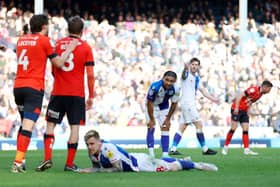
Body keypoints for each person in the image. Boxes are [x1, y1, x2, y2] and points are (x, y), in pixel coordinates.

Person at [11, 14, 78, 173]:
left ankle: (22, 159)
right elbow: (59, 63)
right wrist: (69, 49)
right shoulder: (44, 41)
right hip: (33, 87)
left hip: (18, 86)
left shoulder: (21, 40)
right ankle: (17, 162)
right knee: (28, 126)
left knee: (23, 126)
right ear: (44, 27)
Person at [35, 16, 95, 172]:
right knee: (74, 128)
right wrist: (92, 96)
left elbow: (54, 68)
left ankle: (47, 158)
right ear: (82, 31)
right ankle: (69, 164)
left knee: (50, 125)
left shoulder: (57, 44)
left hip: (59, 92)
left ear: (68, 29)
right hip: (76, 94)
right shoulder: (86, 47)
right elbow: (90, 75)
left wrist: (61, 79)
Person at [78, 129, 218, 173]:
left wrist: (101, 171)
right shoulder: (92, 152)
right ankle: (184, 161)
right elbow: (96, 167)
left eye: (92, 143)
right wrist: (86, 170)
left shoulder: (107, 148)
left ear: (99, 141)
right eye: (87, 144)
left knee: (170, 168)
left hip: (138, 165)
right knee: (162, 163)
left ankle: (197, 165)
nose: (90, 147)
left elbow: (118, 168)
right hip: (135, 158)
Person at [169, 57, 220, 156]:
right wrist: (185, 68)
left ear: (198, 67)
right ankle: (205, 149)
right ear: (190, 65)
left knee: (182, 127)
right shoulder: (186, 74)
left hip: (188, 104)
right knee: (199, 124)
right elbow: (183, 75)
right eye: (193, 64)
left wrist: (213, 99)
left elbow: (203, 91)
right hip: (187, 104)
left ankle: (173, 148)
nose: (194, 66)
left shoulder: (196, 78)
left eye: (196, 65)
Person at [222, 80, 273, 155]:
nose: (269, 91)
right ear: (265, 87)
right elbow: (240, 96)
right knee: (233, 128)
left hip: (244, 111)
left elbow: (250, 102)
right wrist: (236, 108)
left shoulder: (260, 94)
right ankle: (225, 147)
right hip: (236, 109)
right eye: (269, 89)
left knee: (245, 129)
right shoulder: (253, 90)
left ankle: (246, 149)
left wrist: (248, 112)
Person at [145, 71, 180, 158]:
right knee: (151, 127)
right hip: (151, 106)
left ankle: (165, 155)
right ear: (163, 78)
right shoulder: (155, 87)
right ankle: (151, 154)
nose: (168, 83)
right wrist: (152, 119)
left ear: (175, 81)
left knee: (165, 127)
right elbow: (149, 103)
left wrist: (168, 119)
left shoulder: (176, 89)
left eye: (171, 81)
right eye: (167, 80)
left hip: (164, 107)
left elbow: (174, 103)